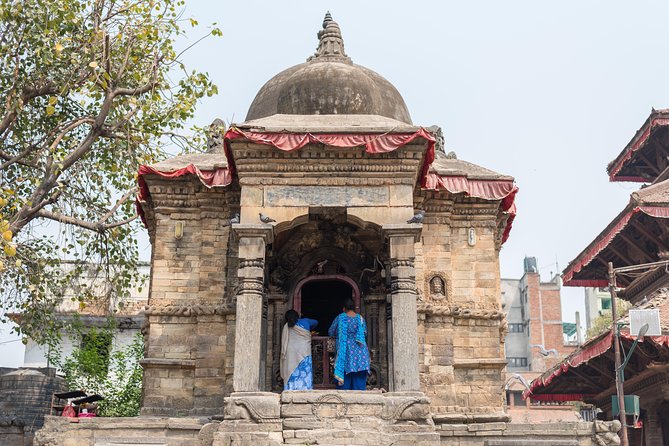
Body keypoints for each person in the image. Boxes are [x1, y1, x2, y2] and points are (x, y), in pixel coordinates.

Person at [328, 298, 370, 390]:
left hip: (345, 351)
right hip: (360, 353)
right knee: (359, 382)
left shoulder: (340, 318)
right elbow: (365, 333)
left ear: (344, 308)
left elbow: (331, 332)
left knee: (345, 385)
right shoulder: (360, 319)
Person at [280, 309, 318, 390]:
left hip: (290, 353)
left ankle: (290, 390)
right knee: (304, 371)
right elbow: (316, 322)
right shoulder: (305, 321)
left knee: (290, 371)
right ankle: (305, 390)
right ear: (297, 316)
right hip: (304, 352)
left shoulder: (287, 326)